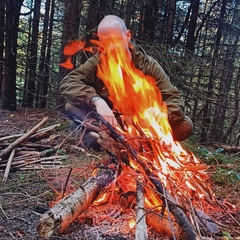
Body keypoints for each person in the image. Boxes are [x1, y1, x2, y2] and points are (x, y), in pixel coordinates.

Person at [60, 15, 193, 149]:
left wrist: (162, 114)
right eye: (105, 42)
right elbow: (69, 82)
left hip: (142, 124)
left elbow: (174, 98)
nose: (111, 47)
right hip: (111, 123)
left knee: (185, 125)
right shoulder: (97, 62)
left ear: (127, 35)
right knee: (71, 106)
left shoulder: (147, 65)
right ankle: (109, 139)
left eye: (115, 39)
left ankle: (125, 141)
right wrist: (96, 100)